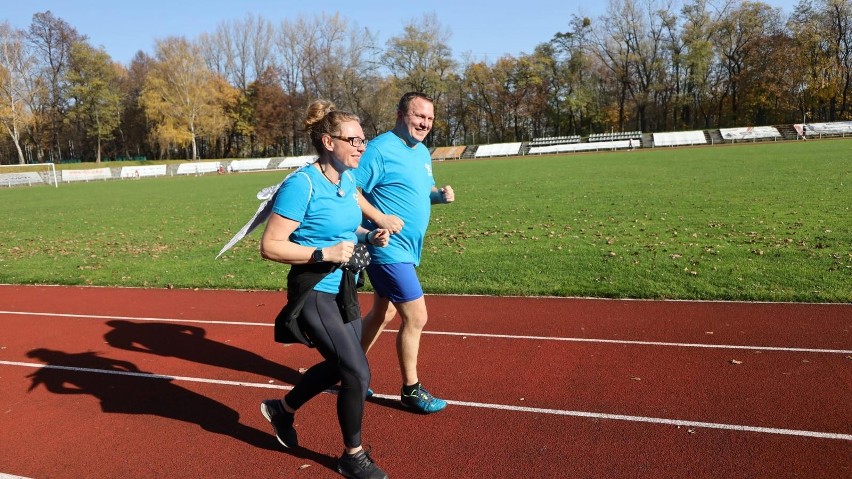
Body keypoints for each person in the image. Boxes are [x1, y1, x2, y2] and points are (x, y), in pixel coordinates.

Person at [258, 99, 390, 479]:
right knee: (357, 373)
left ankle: (282, 409)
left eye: (364, 140)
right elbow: (271, 246)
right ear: (328, 141)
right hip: (313, 288)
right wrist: (324, 252)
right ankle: (353, 455)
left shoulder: (347, 180)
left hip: (343, 285)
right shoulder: (302, 185)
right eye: (354, 140)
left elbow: (347, 229)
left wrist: (370, 234)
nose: (361, 147)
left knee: (340, 366)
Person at [354, 92, 455, 414]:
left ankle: (348, 372)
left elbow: (417, 192)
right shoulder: (380, 149)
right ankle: (411, 389)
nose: (424, 123)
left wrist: (438, 196)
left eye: (429, 118)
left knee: (383, 313)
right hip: (386, 247)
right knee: (417, 315)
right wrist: (379, 219)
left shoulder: (422, 151)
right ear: (401, 114)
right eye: (418, 116)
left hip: (409, 248)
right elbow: (348, 188)